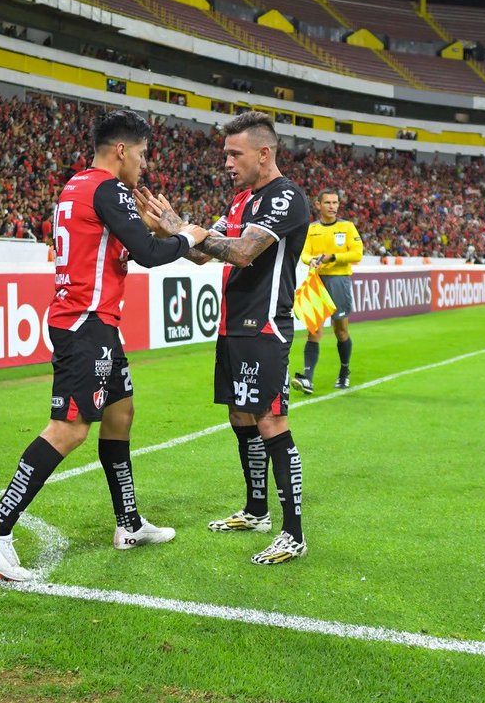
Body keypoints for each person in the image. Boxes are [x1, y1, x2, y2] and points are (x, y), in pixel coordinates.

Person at [0, 109, 209, 582]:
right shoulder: (107, 188)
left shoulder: (76, 186)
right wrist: (183, 237)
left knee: (120, 414)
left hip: (96, 323)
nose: (143, 166)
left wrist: (151, 233)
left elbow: (112, 251)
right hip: (84, 323)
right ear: (121, 150)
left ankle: (129, 523)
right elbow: (148, 255)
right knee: (70, 428)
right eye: (140, 155)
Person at [150, 111, 310, 565]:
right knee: (241, 416)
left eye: (234, 154)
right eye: (225, 154)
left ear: (264, 153)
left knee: (270, 421)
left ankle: (293, 532)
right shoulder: (240, 202)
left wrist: (191, 231)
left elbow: (240, 253)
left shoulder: (286, 197)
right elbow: (204, 255)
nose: (226, 162)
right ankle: (257, 511)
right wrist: (174, 230)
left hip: (265, 326)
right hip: (231, 325)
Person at [292, 189, 363, 393]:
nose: (332, 206)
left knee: (340, 330)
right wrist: (310, 260)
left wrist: (333, 257)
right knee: (313, 331)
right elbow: (304, 253)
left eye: (335, 202)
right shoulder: (312, 229)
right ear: (318, 205)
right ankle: (308, 379)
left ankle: (344, 371)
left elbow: (357, 253)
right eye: (328, 203)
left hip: (339, 281)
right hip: (317, 281)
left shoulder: (347, 227)